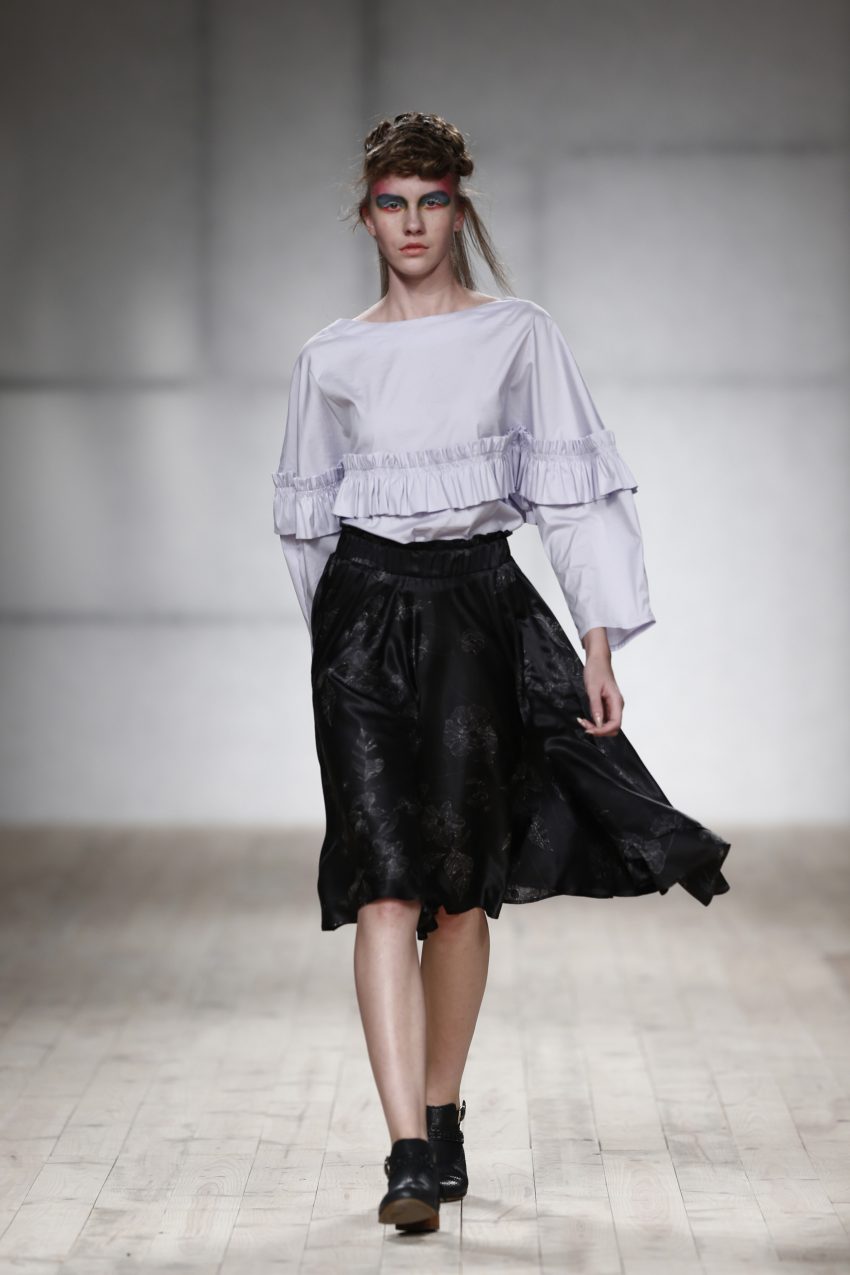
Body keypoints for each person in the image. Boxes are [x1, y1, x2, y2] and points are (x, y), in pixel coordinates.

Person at [272, 112, 731, 1234]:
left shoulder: (519, 336)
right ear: (367, 215)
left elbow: (574, 495)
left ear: (458, 210)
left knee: (458, 889)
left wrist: (597, 641)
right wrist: (333, 650)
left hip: (478, 608)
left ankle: (442, 1108)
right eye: (393, 203)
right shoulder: (330, 357)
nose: (413, 223)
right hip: (363, 621)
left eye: (432, 202)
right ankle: (406, 1153)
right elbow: (304, 520)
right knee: (382, 883)